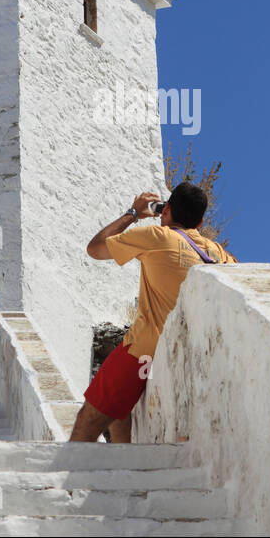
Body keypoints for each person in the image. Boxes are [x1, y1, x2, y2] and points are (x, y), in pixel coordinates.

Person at [73, 183, 237, 442]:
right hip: (189, 350)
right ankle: (125, 465)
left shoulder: (157, 237)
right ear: (201, 220)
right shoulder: (217, 253)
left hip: (144, 349)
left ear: (166, 210)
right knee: (119, 412)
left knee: (88, 419)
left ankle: (70, 473)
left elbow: (95, 248)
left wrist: (133, 213)